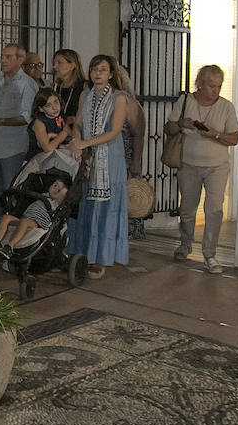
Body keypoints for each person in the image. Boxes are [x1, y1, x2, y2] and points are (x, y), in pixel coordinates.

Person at [166, 65, 238, 274]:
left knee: (214, 210)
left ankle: (210, 254)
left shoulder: (226, 107)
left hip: (216, 166)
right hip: (189, 165)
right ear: (199, 83)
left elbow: (233, 138)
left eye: (218, 86)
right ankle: (185, 244)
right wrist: (182, 123)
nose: (215, 91)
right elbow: (169, 128)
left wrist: (215, 134)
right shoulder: (185, 101)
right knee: (188, 209)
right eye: (210, 86)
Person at [66, 55, 130, 279]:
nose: (97, 73)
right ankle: (82, 253)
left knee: (105, 207)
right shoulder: (85, 94)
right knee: (86, 204)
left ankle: (101, 258)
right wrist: (76, 141)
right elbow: (79, 124)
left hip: (109, 157)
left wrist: (85, 143)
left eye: (103, 70)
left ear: (111, 74)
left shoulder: (119, 97)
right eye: (94, 69)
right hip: (87, 157)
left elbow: (114, 131)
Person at [0, 43, 39, 231]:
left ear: (20, 60)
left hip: (13, 147)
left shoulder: (28, 84)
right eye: (2, 56)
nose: (2, 60)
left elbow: (26, 117)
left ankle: (11, 233)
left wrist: (0, 121)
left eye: (8, 57)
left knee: (10, 192)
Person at [0, 172, 70, 249]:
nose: (56, 189)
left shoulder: (57, 204)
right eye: (55, 185)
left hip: (37, 225)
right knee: (6, 217)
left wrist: (65, 192)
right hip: (24, 220)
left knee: (24, 221)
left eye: (59, 190)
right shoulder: (41, 195)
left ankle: (10, 246)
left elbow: (64, 198)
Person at [115, 65, 148, 241]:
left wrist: (135, 163)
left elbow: (139, 136)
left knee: (129, 197)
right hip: (109, 160)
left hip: (125, 159)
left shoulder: (131, 104)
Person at [26, 88, 72, 160]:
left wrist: (55, 136)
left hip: (53, 158)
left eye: (56, 102)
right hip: (36, 162)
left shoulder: (60, 116)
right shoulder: (39, 122)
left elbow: (70, 135)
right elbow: (47, 148)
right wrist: (61, 136)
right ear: (41, 109)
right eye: (48, 105)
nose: (54, 107)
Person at [49, 49, 88, 131]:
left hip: (78, 135)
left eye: (59, 63)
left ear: (72, 66)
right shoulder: (56, 87)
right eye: (54, 63)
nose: (54, 66)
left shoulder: (84, 87)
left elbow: (88, 115)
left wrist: (71, 119)